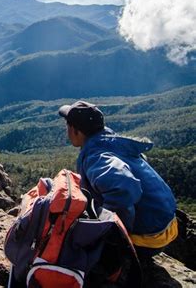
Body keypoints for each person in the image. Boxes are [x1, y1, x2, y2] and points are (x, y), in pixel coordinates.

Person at [58, 100, 178, 260]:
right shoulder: (112, 143)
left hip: (148, 238)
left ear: (76, 131)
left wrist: (112, 234)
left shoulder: (96, 157)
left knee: (69, 240)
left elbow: (124, 189)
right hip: (168, 225)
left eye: (68, 125)